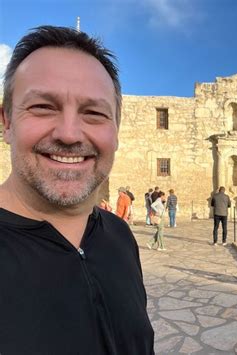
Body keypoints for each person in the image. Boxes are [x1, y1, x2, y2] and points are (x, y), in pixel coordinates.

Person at [0, 26, 153, 353]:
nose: (69, 134)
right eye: (43, 106)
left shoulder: (120, 237)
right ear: (6, 122)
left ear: (116, 131)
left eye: (94, 113)